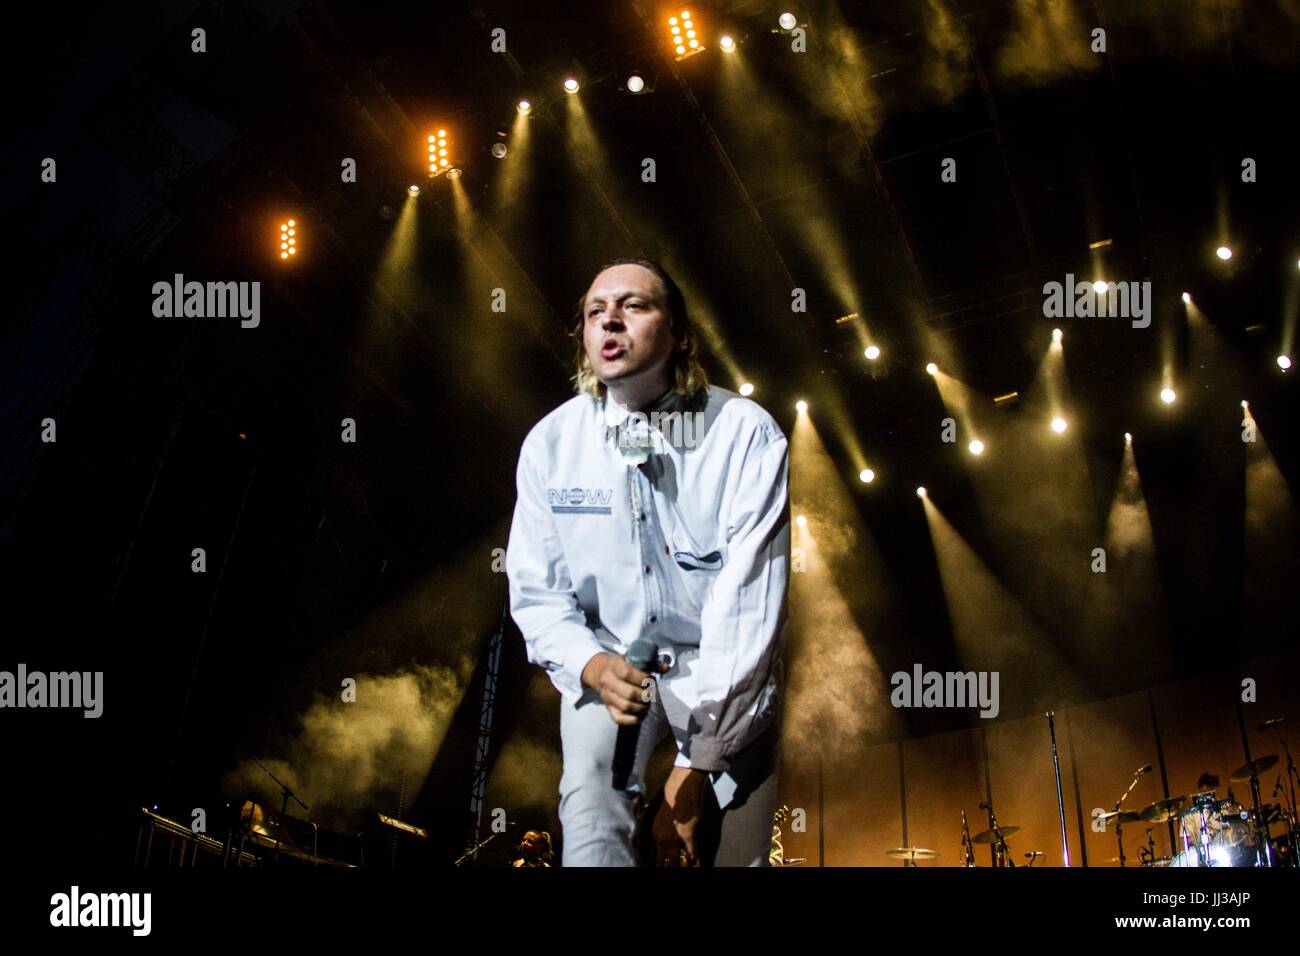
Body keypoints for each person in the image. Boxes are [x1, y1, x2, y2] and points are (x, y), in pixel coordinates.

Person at [506, 258, 790, 866]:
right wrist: (590, 664)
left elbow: (748, 611)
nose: (610, 316)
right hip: (611, 660)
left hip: (722, 670)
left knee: (736, 856)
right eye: (594, 310)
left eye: (634, 305)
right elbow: (537, 596)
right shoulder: (550, 446)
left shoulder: (744, 435)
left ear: (680, 333)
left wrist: (694, 767)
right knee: (590, 819)